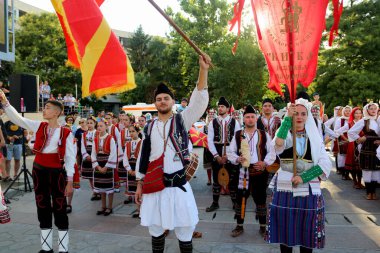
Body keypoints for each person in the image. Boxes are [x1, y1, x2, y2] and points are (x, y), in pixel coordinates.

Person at [135, 54, 210, 253]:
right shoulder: (149, 127)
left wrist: (203, 70)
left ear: (173, 101)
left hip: (178, 186)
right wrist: (139, 184)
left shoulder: (182, 120)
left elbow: (198, 102)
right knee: (156, 230)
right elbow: (144, 156)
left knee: (185, 231)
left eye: (166, 98)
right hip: (154, 186)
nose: (162, 101)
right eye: (158, 99)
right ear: (155, 104)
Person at [0, 91, 75, 253]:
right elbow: (19, 120)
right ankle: (46, 248)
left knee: (60, 207)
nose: (44, 110)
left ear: (57, 112)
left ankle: (63, 248)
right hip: (39, 170)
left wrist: (70, 181)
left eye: (47, 108)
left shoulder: (67, 133)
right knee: (42, 205)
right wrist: (6, 103)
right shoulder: (39, 126)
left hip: (56, 173)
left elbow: (70, 159)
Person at [266, 98, 331, 253]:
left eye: (303, 114)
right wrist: (287, 119)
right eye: (296, 113)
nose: (299, 117)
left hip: (308, 189)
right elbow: (278, 145)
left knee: (307, 231)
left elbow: (325, 164)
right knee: (285, 230)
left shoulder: (315, 139)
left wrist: (303, 177)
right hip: (285, 188)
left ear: (307, 116)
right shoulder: (286, 135)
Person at [227, 105, 276, 237]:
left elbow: (272, 152)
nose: (250, 119)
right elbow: (230, 152)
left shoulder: (264, 134)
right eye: (247, 117)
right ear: (243, 119)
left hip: (259, 171)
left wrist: (264, 163)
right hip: (242, 171)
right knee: (240, 198)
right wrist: (237, 159)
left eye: (252, 117)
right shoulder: (238, 135)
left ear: (256, 118)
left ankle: (262, 226)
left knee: (260, 198)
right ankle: (239, 226)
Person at [206, 97, 241, 212]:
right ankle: (215, 203)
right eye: (219, 107)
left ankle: (235, 203)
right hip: (217, 149)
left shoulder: (235, 122)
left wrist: (228, 155)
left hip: (231, 150)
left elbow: (237, 139)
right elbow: (209, 140)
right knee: (216, 178)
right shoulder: (213, 122)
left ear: (227, 108)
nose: (220, 108)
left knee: (232, 179)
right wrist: (217, 156)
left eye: (222, 107)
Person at [348, 103, 380, 200]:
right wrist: (360, 138)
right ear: (367, 110)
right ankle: (368, 193)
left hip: (377, 149)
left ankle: (373, 193)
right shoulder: (364, 120)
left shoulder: (379, 120)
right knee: (367, 171)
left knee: (376, 171)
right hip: (367, 149)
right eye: (371, 108)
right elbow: (351, 132)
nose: (373, 110)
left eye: (375, 108)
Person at [91, 120, 118, 216]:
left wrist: (106, 166)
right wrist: (97, 166)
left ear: (106, 127)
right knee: (101, 187)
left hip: (107, 163)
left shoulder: (110, 138)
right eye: (98, 126)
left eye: (101, 126)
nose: (99, 128)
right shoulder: (95, 139)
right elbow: (93, 153)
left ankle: (109, 207)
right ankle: (103, 206)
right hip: (99, 163)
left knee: (109, 187)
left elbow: (113, 153)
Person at [336, 107, 364, 189]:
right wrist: (347, 139)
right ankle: (355, 182)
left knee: (361, 165)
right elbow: (338, 131)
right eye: (356, 113)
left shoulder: (365, 122)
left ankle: (359, 182)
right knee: (354, 165)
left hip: (363, 146)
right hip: (353, 146)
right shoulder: (350, 124)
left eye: (360, 113)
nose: (358, 115)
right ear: (353, 114)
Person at [123, 125, 141, 216]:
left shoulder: (142, 143)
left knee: (140, 189)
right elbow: (125, 157)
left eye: (133, 131)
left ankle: (142, 211)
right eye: (129, 132)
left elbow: (142, 158)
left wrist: (137, 171)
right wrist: (129, 169)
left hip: (139, 168)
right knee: (134, 190)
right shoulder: (128, 144)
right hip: (131, 167)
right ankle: (138, 210)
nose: (131, 133)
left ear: (138, 132)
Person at [81, 117, 100, 200]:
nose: (89, 125)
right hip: (87, 154)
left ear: (95, 124)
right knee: (90, 176)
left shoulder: (98, 133)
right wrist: (85, 155)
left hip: (95, 154)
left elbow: (99, 145)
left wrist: (93, 156)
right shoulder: (84, 134)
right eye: (88, 123)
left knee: (96, 175)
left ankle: (98, 191)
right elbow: (82, 145)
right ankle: (94, 191)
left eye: (91, 123)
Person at [334, 106, 352, 179]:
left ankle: (348, 173)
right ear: (343, 112)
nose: (347, 112)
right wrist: (345, 138)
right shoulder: (340, 119)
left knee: (350, 155)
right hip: (342, 139)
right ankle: (344, 174)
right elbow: (336, 130)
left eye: (349, 111)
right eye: (346, 111)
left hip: (351, 138)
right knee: (343, 156)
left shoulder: (352, 119)